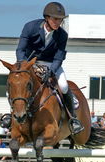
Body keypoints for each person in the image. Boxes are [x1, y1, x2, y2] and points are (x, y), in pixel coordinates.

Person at [16, 2, 83, 135]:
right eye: (55, 19)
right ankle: (11, 116)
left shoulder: (62, 35)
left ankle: (73, 119)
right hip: (30, 63)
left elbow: (59, 57)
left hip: (51, 64)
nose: (58, 22)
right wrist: (24, 66)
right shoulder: (30, 27)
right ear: (47, 17)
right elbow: (20, 49)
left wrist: (51, 71)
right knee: (17, 83)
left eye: (60, 20)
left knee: (63, 86)